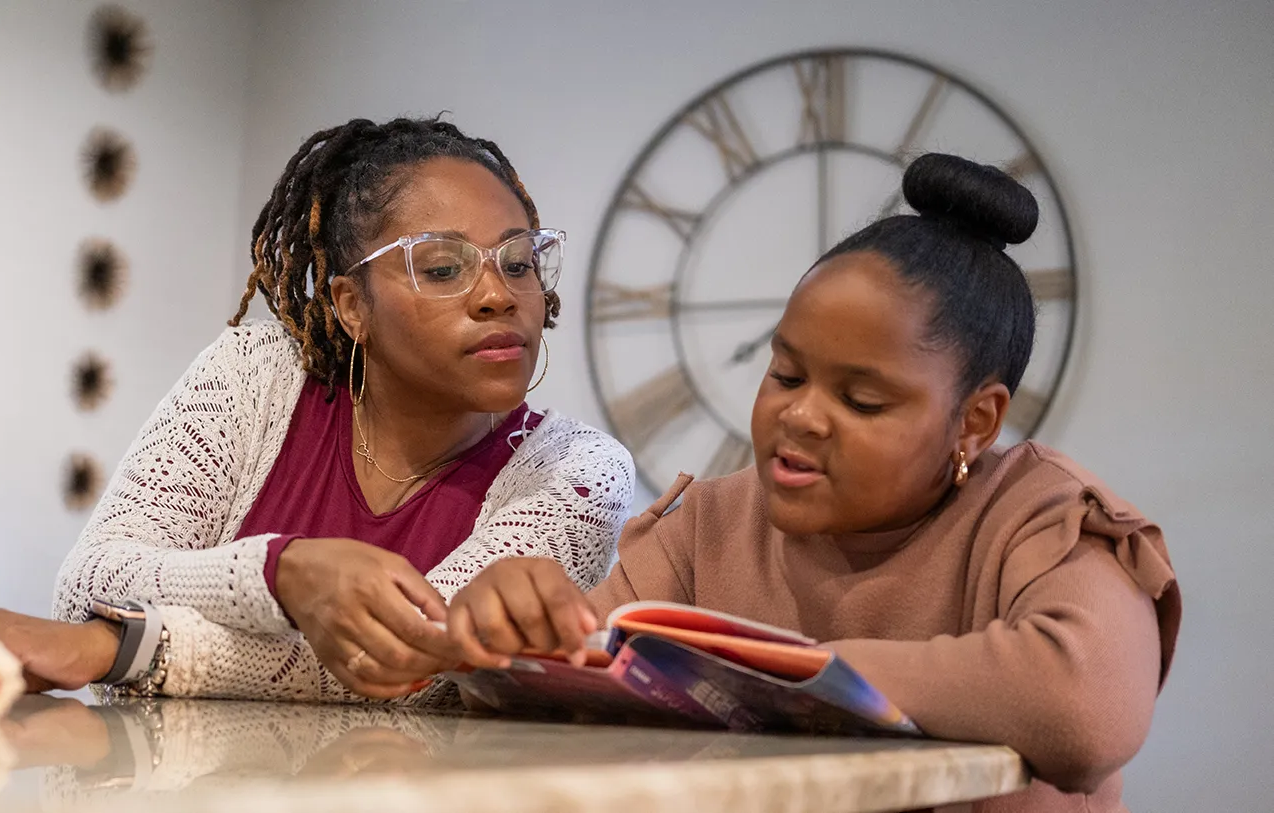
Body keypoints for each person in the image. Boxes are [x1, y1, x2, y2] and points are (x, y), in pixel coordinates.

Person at [447, 154, 1180, 812]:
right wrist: (507, 629)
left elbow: (1087, 711)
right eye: (785, 374)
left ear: (975, 421)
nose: (799, 415)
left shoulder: (1041, 513)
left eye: (861, 401)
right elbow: (567, 693)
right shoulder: (709, 522)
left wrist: (792, 675)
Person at [0, 117, 634, 704]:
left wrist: (116, 647)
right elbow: (92, 580)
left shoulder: (576, 473)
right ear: (350, 306)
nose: (498, 294)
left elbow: (404, 667)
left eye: (518, 261)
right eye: (441, 267)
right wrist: (281, 572)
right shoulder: (255, 374)